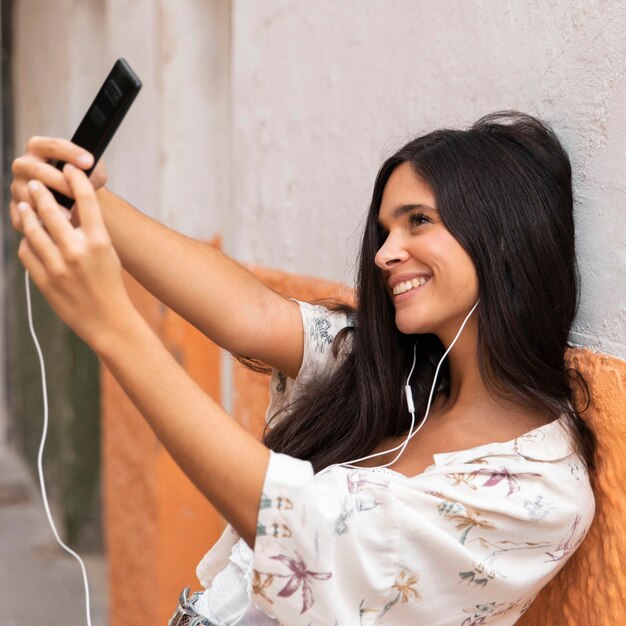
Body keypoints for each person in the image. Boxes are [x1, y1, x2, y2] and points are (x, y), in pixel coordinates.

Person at [9, 111, 596, 625]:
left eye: (418, 221)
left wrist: (112, 326)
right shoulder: (404, 377)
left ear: (501, 234)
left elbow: (304, 537)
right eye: (385, 230)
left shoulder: (537, 489)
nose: (386, 253)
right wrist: (87, 202)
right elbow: (254, 315)